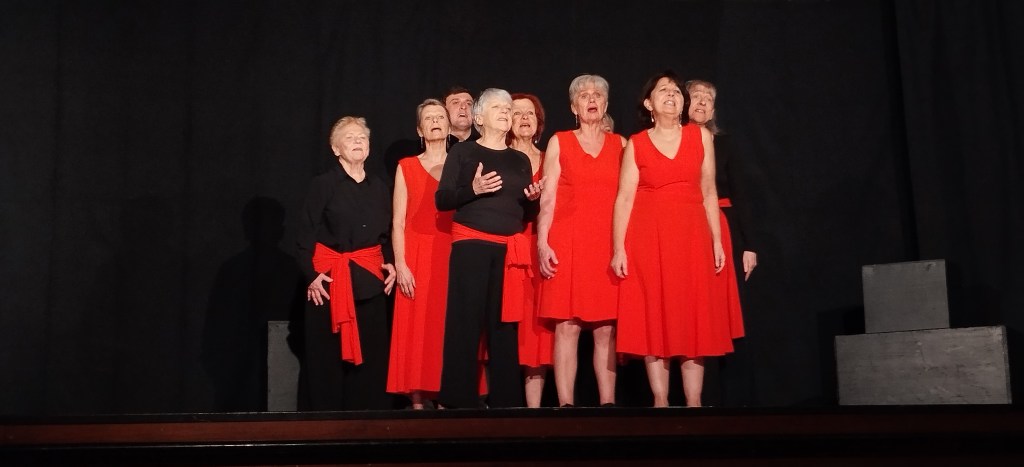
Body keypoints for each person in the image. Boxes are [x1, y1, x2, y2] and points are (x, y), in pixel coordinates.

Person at [611, 70, 736, 408]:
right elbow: (625, 197)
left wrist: (716, 240)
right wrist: (619, 248)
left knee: (692, 313)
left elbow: (709, 192)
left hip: (692, 235)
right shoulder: (637, 143)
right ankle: (661, 402)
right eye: (663, 90)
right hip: (648, 238)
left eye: (677, 92)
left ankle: (694, 404)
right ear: (648, 103)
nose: (672, 95)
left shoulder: (700, 137)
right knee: (654, 314)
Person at [435, 88, 544, 409]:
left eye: (508, 109)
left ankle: (506, 401)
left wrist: (533, 201)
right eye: (498, 107)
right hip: (472, 245)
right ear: (479, 118)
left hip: (508, 251)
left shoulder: (520, 159)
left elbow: (525, 215)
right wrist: (473, 188)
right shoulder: (464, 152)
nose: (506, 113)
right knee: (465, 323)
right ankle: (457, 400)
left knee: (504, 326)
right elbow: (443, 199)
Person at [536, 74, 626, 408]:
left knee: (605, 328)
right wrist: (542, 242)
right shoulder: (560, 141)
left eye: (598, 95)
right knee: (567, 326)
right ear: (574, 107)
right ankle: (565, 406)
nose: (591, 99)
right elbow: (548, 197)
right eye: (584, 95)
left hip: (606, 244)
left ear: (606, 104)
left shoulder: (621, 145)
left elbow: (629, 199)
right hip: (568, 242)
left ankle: (608, 405)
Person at [297, 116, 397, 411]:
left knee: (371, 358)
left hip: (370, 282)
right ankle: (326, 425)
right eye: (350, 138)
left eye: (362, 137)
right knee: (326, 359)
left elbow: (387, 235)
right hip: (329, 284)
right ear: (335, 148)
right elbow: (305, 235)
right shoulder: (323, 184)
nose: (357, 142)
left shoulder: (380, 187)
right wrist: (312, 275)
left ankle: (368, 424)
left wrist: (391, 263)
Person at [686, 79, 756, 406]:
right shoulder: (670, 142)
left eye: (708, 99)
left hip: (722, 227)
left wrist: (749, 245)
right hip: (684, 226)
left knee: (717, 310)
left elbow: (742, 194)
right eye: (696, 96)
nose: (702, 102)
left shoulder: (724, 144)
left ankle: (719, 397)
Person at [385, 99, 455, 409]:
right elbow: (398, 221)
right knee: (417, 325)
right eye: (429, 118)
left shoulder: (461, 164)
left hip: (451, 251)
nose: (435, 122)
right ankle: (416, 400)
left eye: (440, 117)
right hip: (416, 254)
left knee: (446, 324)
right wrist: (401, 263)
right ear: (419, 129)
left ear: (449, 126)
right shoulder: (407, 166)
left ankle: (447, 395)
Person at [507, 93, 553, 408]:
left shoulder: (551, 157)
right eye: (518, 113)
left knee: (537, 329)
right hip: (508, 245)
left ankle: (534, 410)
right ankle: (503, 405)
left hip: (542, 246)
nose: (525, 119)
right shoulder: (497, 157)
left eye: (530, 114)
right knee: (507, 322)